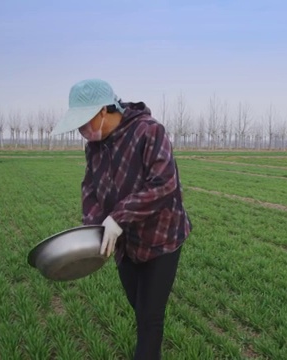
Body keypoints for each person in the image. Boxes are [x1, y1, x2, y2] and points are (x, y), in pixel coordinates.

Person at [51, 79, 192, 360]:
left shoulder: (149, 131)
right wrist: (92, 227)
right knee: (139, 309)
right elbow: (90, 187)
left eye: (84, 122)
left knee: (150, 319)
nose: (81, 130)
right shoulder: (95, 144)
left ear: (103, 111)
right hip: (125, 243)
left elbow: (164, 185)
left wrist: (117, 217)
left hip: (161, 238)